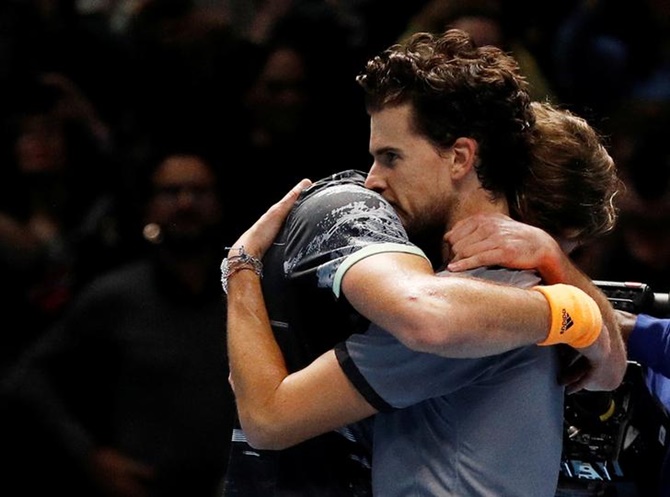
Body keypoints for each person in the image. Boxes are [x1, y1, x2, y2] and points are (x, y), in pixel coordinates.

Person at [222, 30, 626, 496]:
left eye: (391, 157)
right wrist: (574, 304)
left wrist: (241, 267)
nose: (372, 181)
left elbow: (269, 419)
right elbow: (610, 364)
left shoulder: (471, 311)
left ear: (460, 157)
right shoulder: (528, 286)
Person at [0, 150, 237, 497]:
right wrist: (90, 455)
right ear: (149, 206)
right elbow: (30, 375)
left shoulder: (245, 295)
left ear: (218, 202)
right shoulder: (118, 295)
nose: (186, 203)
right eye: (171, 192)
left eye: (199, 192)